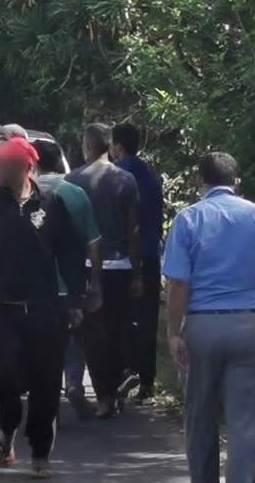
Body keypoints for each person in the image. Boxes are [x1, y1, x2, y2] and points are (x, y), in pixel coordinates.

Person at [0, 138, 86, 478]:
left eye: (2, 163)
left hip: (44, 308)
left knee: (46, 383)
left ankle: (40, 452)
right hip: (1, 309)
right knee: (2, 379)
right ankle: (7, 428)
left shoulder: (51, 202)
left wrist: (76, 299)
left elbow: (69, 254)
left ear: (23, 167)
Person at [163, 153, 255, 483]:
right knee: (247, 421)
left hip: (202, 327)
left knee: (200, 416)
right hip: (250, 324)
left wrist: (174, 332)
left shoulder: (188, 220)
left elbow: (178, 283)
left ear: (201, 183)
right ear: (237, 181)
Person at [66, 123, 141, 418]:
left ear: (86, 146)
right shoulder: (126, 180)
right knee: (119, 329)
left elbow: (70, 235)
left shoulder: (73, 181)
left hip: (87, 269)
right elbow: (133, 230)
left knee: (93, 335)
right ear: (110, 146)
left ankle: (104, 397)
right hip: (121, 267)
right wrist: (138, 273)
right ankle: (117, 383)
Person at [33, 139, 104, 422]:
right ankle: (73, 383)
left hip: (34, 285)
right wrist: (96, 283)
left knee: (40, 342)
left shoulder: (25, 192)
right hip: (71, 282)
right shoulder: (75, 193)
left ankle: (46, 398)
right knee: (73, 336)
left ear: (34, 162)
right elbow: (94, 242)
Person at [110, 122, 164, 403]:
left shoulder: (117, 177)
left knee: (119, 320)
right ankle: (146, 383)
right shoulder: (151, 178)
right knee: (147, 321)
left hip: (123, 260)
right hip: (150, 257)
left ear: (117, 147)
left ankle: (121, 376)